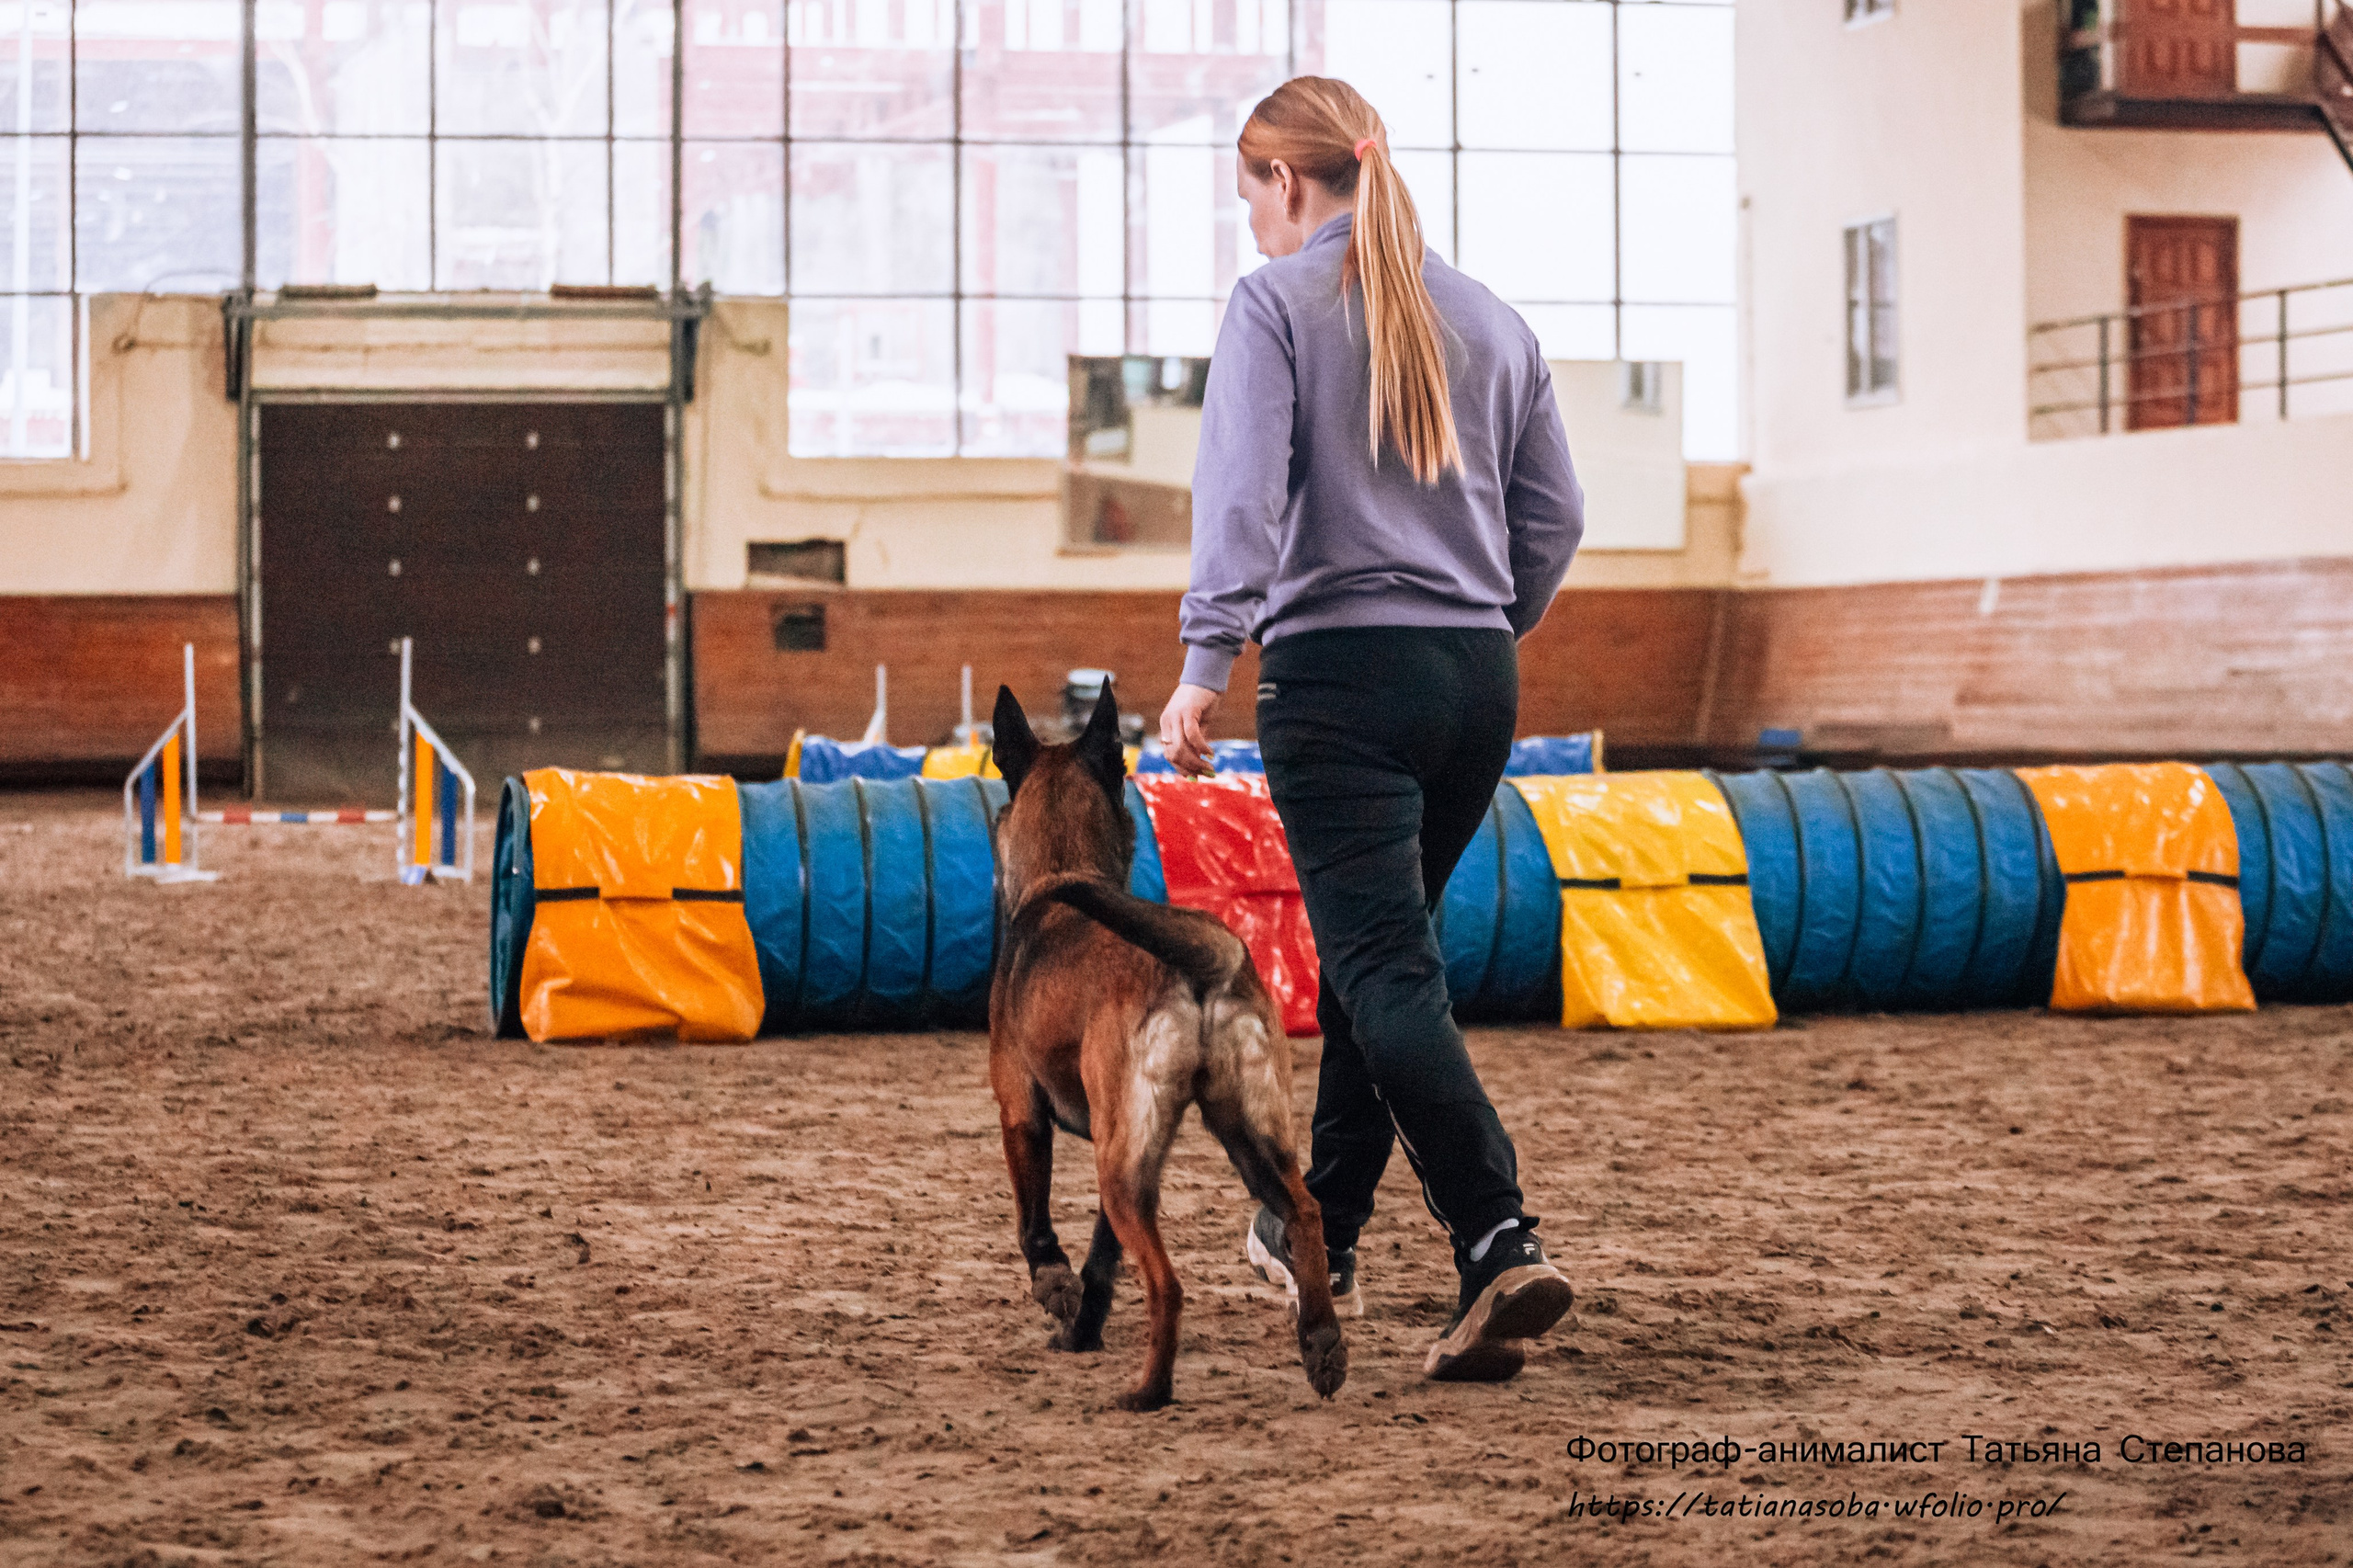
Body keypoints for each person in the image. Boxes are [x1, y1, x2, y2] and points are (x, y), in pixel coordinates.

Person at [1158, 76, 1586, 1383]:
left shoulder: (1275, 306)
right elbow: (1555, 519)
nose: (1251, 225)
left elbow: (1240, 496)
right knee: (1372, 956)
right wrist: (1470, 619)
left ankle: (1496, 1237)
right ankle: (1321, 1226)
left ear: (1289, 184)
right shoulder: (1495, 322)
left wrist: (1201, 663)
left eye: (1250, 197)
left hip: (1341, 681)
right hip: (1475, 679)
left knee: (1388, 971)